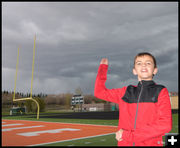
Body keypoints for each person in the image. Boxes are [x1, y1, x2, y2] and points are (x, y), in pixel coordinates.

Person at [94, 52, 172, 146]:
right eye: (139, 63)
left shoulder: (161, 91)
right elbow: (99, 92)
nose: (143, 65)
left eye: (148, 63)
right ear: (134, 70)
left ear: (155, 70)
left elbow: (165, 125)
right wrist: (102, 69)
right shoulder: (125, 92)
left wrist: (130, 135)